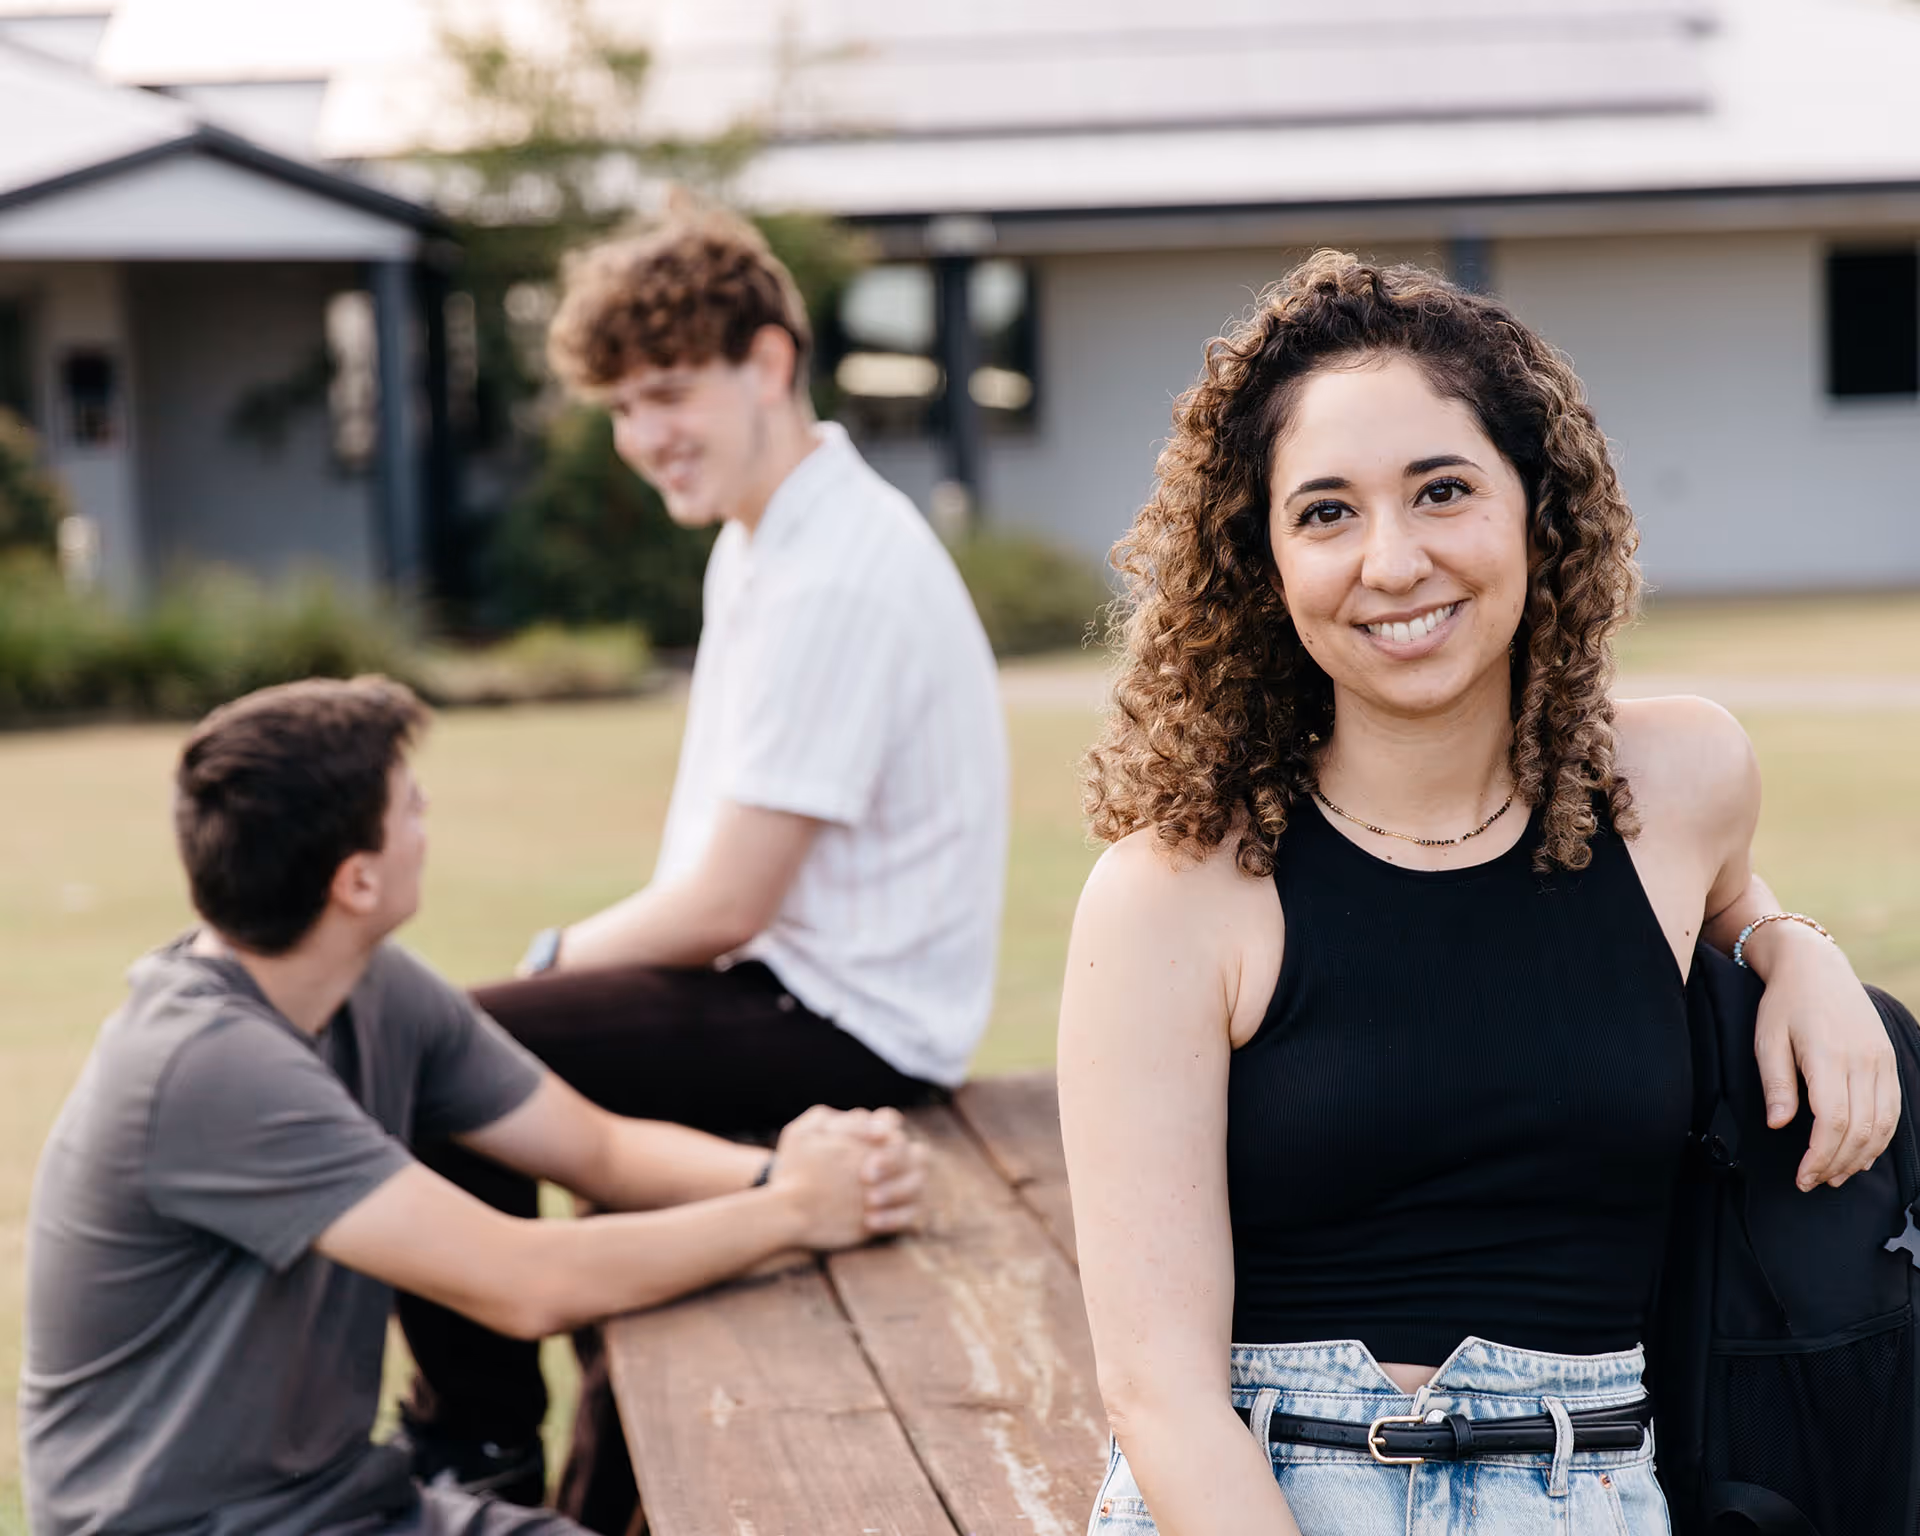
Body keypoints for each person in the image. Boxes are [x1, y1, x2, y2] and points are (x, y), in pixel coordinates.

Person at [1057, 253, 1899, 1535]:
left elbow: (1715, 899)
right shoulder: (1172, 895)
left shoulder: (1678, 783)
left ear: (1536, 509)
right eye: (1326, 512)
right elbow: (1161, 1396)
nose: (1392, 563)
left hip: (1596, 1491)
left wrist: (1794, 949)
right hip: (1267, 1489)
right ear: (1261, 561)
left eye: (1441, 492)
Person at [394, 206, 1008, 1524]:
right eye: (619, 407)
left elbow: (730, 901)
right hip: (785, 986)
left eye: (667, 392)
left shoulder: (832, 570)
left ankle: (476, 1447)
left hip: (840, 1018)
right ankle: (550, 1426)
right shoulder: (771, 535)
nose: (642, 435)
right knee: (488, 1048)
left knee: (439, 1055)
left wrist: (553, 965)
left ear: (770, 362)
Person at [19, 676, 928, 1536]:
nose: (427, 823)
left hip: (345, 1503)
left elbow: (595, 1148)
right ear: (357, 881)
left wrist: (807, 1172)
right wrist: (796, 1211)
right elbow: (525, 1282)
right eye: (410, 807)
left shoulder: (370, 988)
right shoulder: (205, 1068)